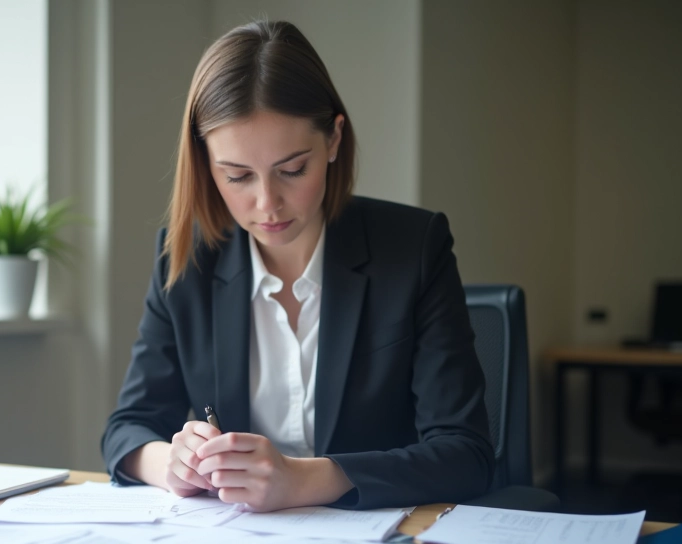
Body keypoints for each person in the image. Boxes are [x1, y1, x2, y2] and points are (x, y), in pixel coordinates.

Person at [101, 20, 494, 512]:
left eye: (292, 170)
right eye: (238, 176)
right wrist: (172, 463)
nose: (267, 203)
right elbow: (127, 429)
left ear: (333, 139)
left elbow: (466, 454)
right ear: (205, 163)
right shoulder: (186, 259)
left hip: (375, 536)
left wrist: (305, 479)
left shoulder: (414, 247)